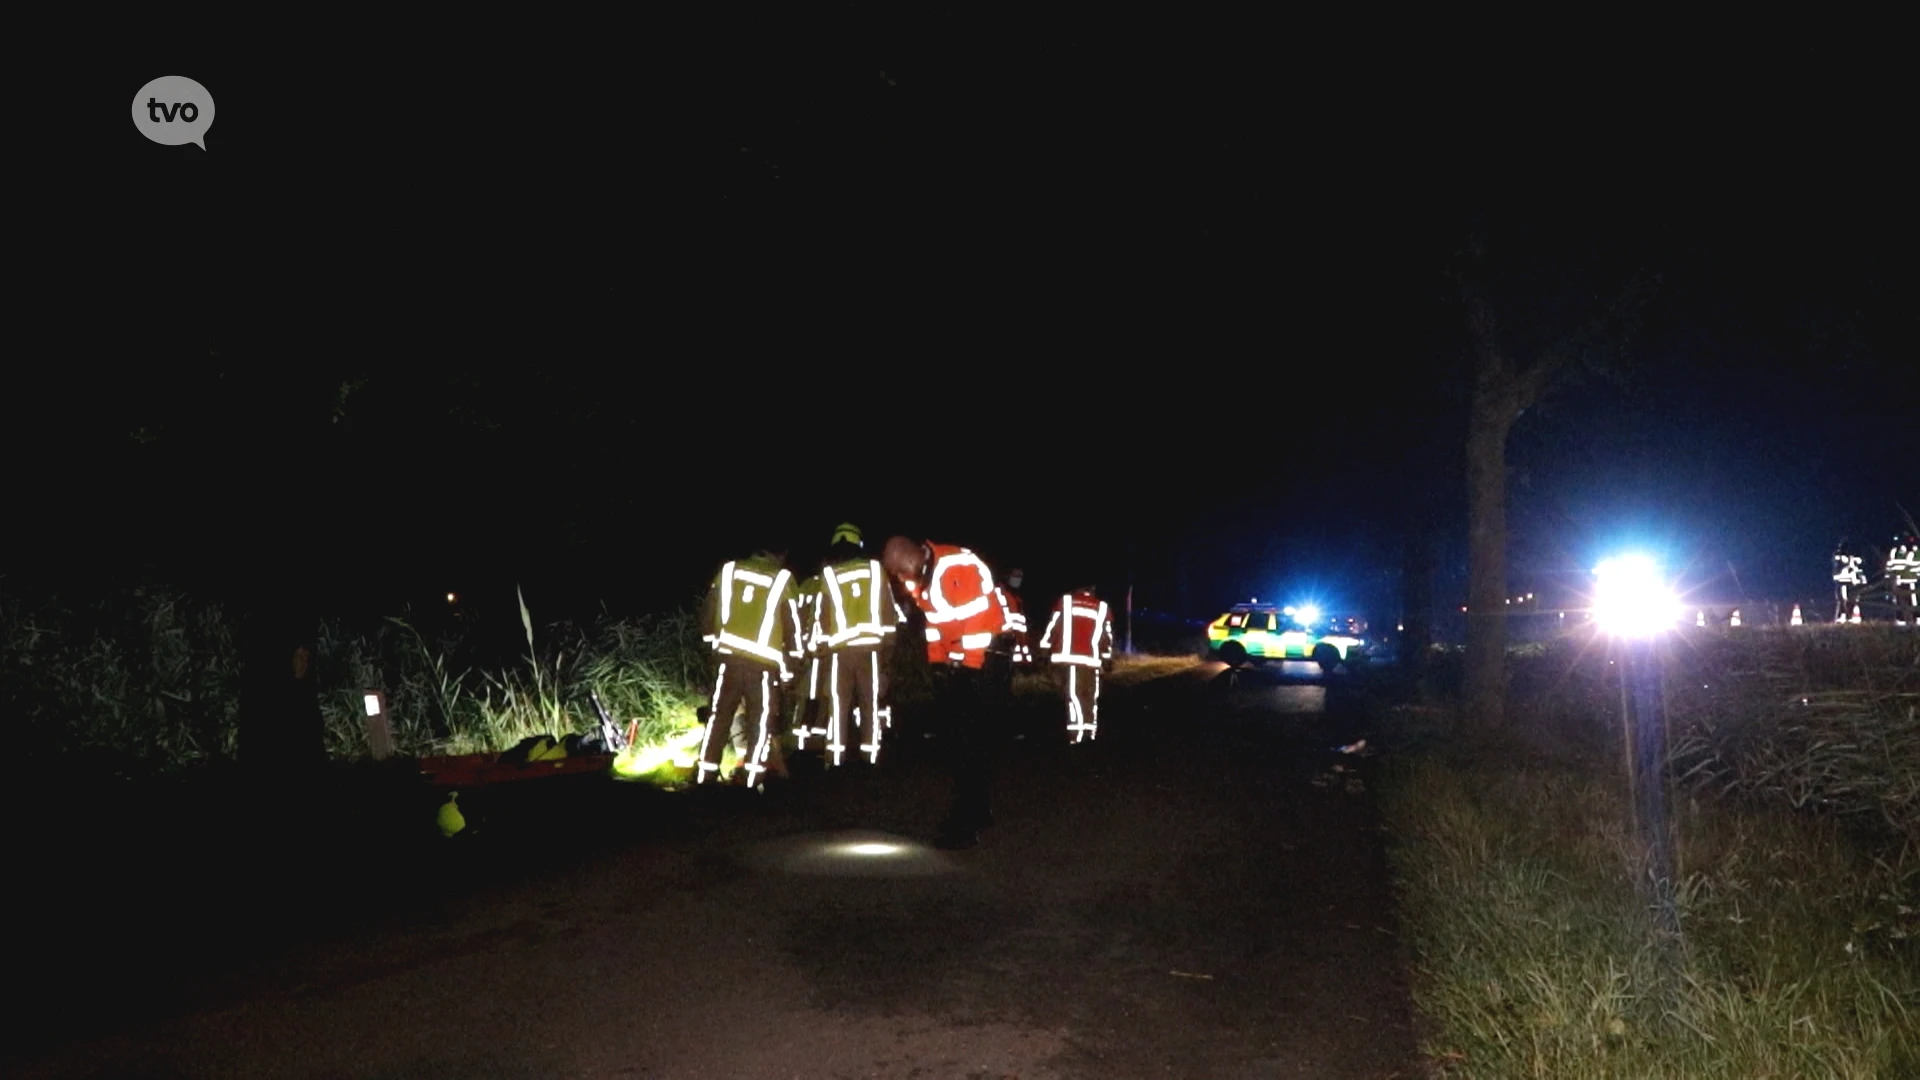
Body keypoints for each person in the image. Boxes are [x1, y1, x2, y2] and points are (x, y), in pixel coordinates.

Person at [881, 536, 1015, 849]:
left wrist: (967, 669)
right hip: (966, 661)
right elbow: (936, 624)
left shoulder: (955, 566)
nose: (900, 580)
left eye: (900, 572)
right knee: (961, 739)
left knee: (970, 740)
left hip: (988, 656)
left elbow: (977, 623)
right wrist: (938, 663)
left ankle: (968, 819)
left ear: (911, 559)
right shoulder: (922, 581)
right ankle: (975, 810)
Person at [696, 548, 802, 787]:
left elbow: (707, 615)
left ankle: (705, 778)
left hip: (729, 661)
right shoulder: (783, 579)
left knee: (719, 718)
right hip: (763, 667)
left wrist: (715, 647)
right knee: (760, 722)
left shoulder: (729, 570)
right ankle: (752, 781)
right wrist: (790, 670)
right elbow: (793, 629)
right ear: (781, 553)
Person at [816, 523, 907, 766]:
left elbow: (822, 618)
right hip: (870, 651)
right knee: (870, 703)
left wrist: (822, 649)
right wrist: (888, 647)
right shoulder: (876, 571)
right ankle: (871, 758)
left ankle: (834, 759)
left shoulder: (829, 576)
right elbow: (888, 612)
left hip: (840, 652)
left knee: (838, 705)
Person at [1037, 584, 1116, 744]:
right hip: (1092, 661)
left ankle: (1077, 737)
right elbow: (1107, 637)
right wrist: (1106, 658)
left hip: (1071, 659)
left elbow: (1053, 627)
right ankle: (1090, 732)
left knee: (1074, 696)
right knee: (1090, 697)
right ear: (1093, 588)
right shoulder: (1102, 607)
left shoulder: (1066, 602)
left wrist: (1044, 650)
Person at [787, 569, 829, 751]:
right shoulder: (826, 585)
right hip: (820, 652)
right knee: (816, 700)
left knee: (808, 699)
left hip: (811, 650)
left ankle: (803, 747)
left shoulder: (808, 585)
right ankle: (810, 747)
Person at [1832, 540, 1866, 623]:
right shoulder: (1841, 557)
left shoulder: (1845, 558)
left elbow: (1857, 567)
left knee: (1846, 600)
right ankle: (1844, 616)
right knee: (1844, 600)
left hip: (1846, 582)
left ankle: (1845, 616)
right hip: (1845, 581)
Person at [1890, 533, 1920, 625]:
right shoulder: (1896, 552)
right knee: (1902, 600)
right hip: (1903, 580)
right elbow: (1893, 565)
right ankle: (1902, 618)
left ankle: (1915, 618)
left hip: (1911, 581)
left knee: (1912, 600)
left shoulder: (1915, 552)